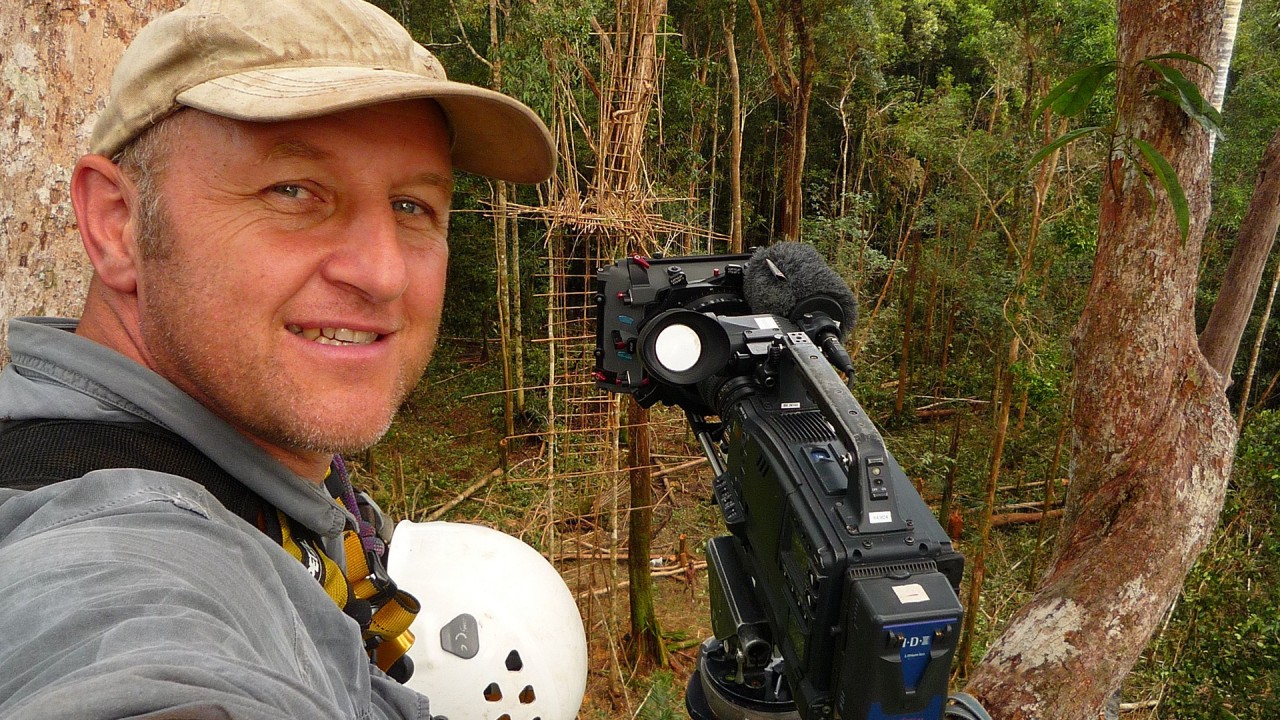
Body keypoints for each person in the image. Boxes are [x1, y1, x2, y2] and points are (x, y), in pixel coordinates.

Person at [0, 0, 554, 718]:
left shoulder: (261, 477)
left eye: (412, 206)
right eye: (293, 191)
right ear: (117, 224)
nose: (384, 274)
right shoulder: (112, 563)